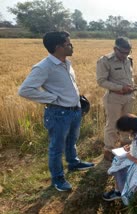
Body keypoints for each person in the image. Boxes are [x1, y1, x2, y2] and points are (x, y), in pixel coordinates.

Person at [18, 31, 94, 192]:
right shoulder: (44, 67)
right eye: (68, 44)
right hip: (58, 114)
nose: (71, 46)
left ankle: (73, 163)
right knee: (56, 147)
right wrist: (52, 98)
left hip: (74, 111)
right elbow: (25, 90)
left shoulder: (67, 63)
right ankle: (58, 179)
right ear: (58, 47)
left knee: (72, 140)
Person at [96, 37, 135, 161]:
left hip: (129, 97)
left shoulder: (129, 60)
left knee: (127, 122)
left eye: (128, 52)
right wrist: (120, 88)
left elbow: (129, 77)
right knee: (112, 124)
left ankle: (125, 143)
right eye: (123, 52)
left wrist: (131, 87)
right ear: (115, 49)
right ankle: (109, 150)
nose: (125, 55)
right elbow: (101, 81)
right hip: (114, 98)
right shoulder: (105, 61)